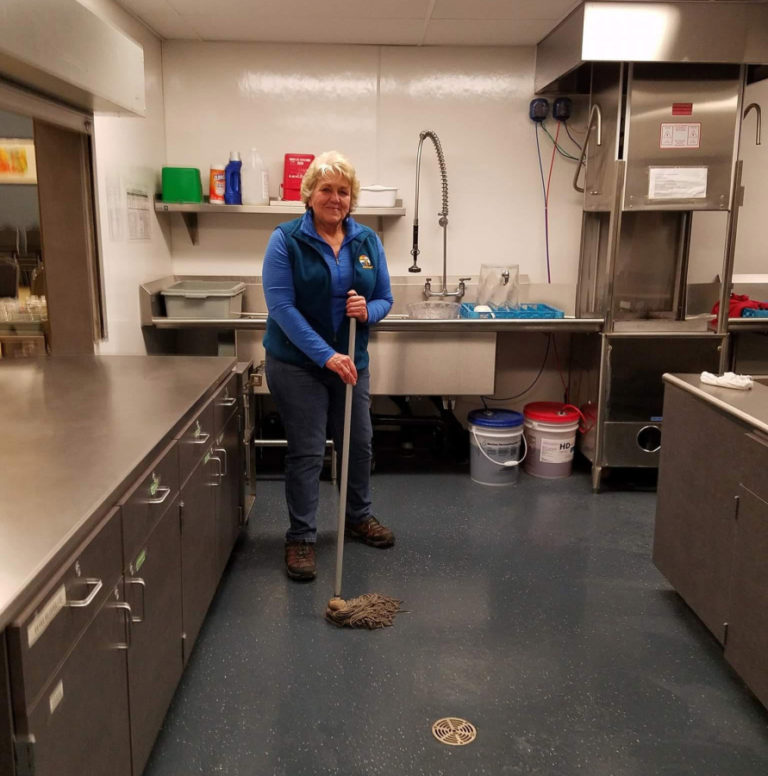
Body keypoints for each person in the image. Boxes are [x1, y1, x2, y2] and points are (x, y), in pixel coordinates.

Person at [262, 151, 395, 581]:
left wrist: (367, 312)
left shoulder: (367, 242)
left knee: (359, 443)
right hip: (299, 363)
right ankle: (301, 537)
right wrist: (326, 355)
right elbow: (281, 306)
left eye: (342, 191)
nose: (334, 198)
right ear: (310, 194)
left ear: (351, 198)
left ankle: (358, 517)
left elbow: (385, 299)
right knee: (307, 450)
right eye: (326, 189)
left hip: (351, 361)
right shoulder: (285, 240)